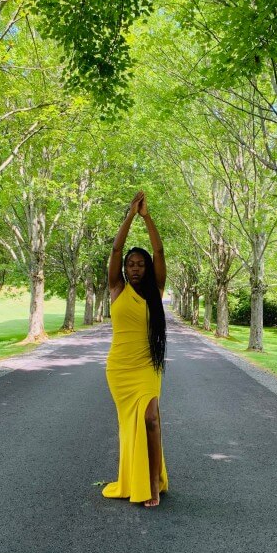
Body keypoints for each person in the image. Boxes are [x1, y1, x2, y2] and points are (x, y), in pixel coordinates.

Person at [102, 190, 168, 508]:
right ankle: (137, 478)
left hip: (147, 365)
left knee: (151, 418)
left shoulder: (156, 290)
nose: (137, 268)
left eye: (142, 264)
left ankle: (153, 482)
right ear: (125, 269)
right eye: (132, 264)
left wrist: (147, 217)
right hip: (119, 369)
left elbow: (159, 249)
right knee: (131, 425)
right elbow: (115, 248)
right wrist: (130, 215)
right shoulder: (116, 288)